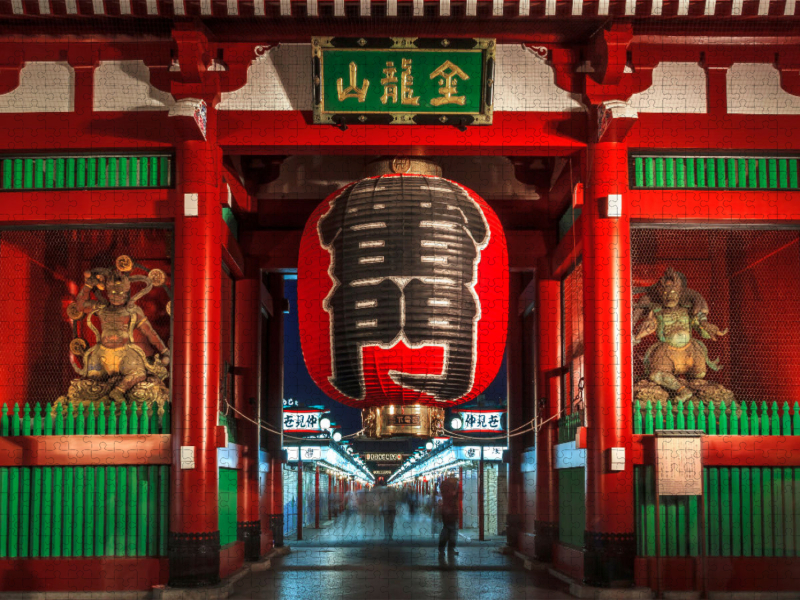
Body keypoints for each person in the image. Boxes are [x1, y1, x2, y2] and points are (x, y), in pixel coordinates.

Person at [438, 476, 459, 555]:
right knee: (451, 531)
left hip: (447, 512)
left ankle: (442, 549)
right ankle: (450, 549)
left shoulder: (444, 486)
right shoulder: (450, 491)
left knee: (447, 530)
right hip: (450, 512)